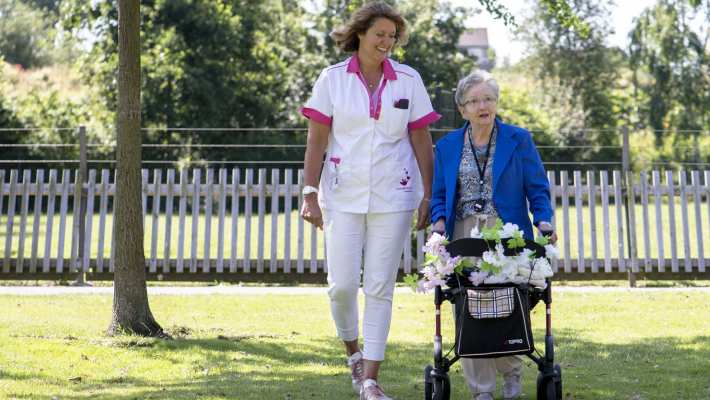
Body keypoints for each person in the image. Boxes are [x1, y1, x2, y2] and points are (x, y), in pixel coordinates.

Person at [299, 2, 440, 399]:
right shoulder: (332, 80)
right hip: (342, 193)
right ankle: (353, 353)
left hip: (395, 194)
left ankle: (371, 380)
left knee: (380, 286)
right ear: (360, 33)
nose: (386, 42)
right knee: (342, 286)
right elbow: (316, 140)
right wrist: (310, 193)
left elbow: (421, 140)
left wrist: (430, 195)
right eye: (380, 34)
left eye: (393, 36)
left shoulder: (409, 80)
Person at [429, 70, 557, 400]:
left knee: (507, 302)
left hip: (508, 232)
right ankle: (481, 390)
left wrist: (543, 222)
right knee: (469, 306)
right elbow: (440, 194)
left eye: (488, 99)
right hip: (464, 233)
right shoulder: (447, 146)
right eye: (474, 101)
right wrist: (438, 224)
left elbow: (537, 188)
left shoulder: (519, 139)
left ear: (496, 102)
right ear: (463, 109)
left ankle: (512, 375)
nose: (482, 105)